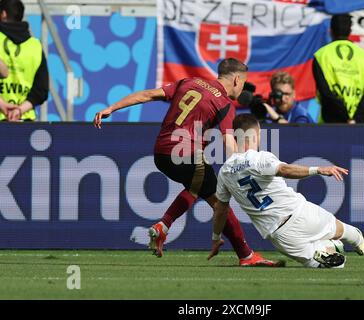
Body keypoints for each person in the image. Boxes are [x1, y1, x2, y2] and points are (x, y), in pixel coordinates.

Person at [94, 58, 283, 267]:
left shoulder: (188, 82)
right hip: (186, 154)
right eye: (243, 82)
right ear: (237, 79)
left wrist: (112, 108)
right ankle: (245, 255)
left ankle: (163, 227)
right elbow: (228, 141)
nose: (241, 90)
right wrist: (241, 164)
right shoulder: (224, 104)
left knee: (198, 189)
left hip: (161, 152)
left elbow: (148, 94)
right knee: (219, 202)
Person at [208, 114, 364, 268]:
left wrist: (216, 238)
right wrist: (317, 169)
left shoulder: (225, 172)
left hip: (280, 234)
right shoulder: (260, 158)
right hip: (301, 213)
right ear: (256, 135)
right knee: (345, 232)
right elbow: (284, 169)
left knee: (335, 266)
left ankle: (326, 248)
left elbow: (221, 209)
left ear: (235, 138)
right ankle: (335, 243)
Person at [313, 14, 364, 124]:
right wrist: (355, 119)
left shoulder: (321, 56)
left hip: (331, 122)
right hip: (360, 123)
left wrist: (345, 117)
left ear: (330, 31)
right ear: (350, 31)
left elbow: (325, 92)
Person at [0, 0, 49, 122]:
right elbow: (41, 90)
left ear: (3, 14)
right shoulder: (35, 46)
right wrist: (19, 110)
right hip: (24, 120)